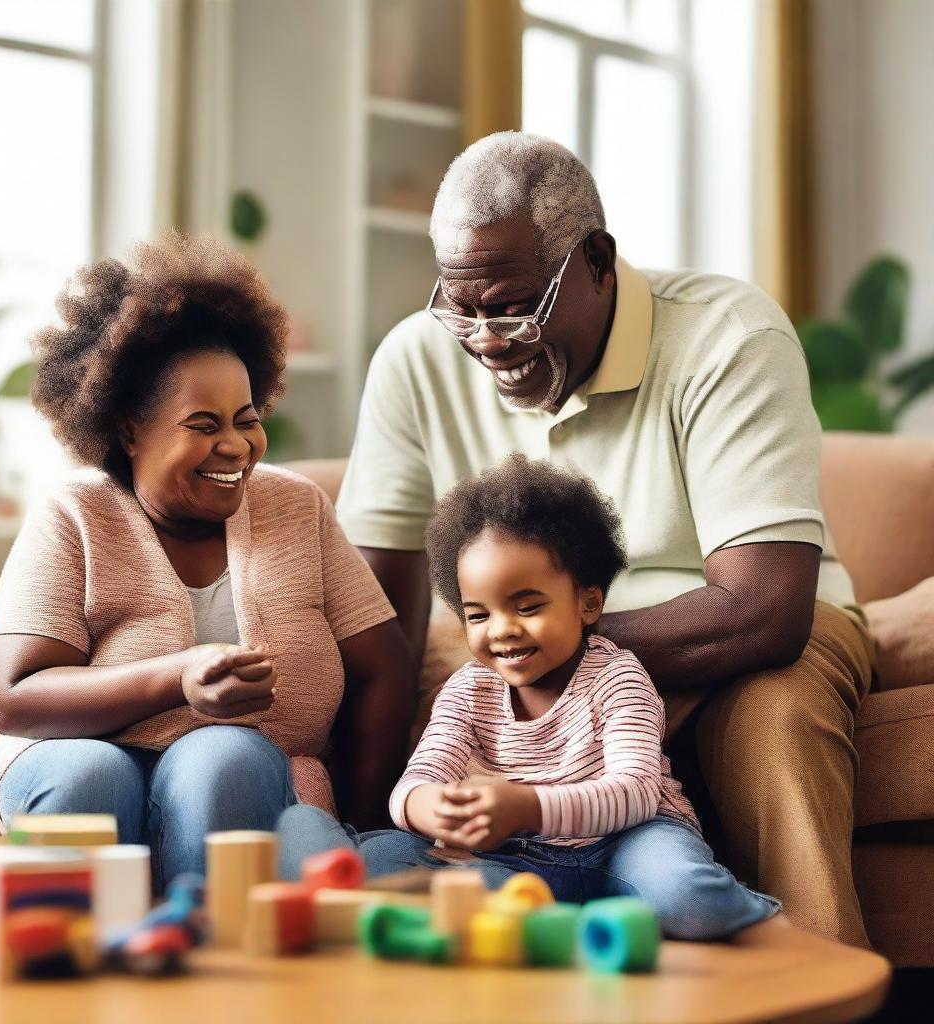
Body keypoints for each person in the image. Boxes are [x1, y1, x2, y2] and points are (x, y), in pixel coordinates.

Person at [335, 132, 874, 946]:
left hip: (739, 644)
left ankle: (821, 975)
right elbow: (372, 623)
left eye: (515, 306)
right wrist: (368, 809)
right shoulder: (415, 358)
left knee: (779, 721)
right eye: (463, 308)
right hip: (523, 645)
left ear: (596, 261)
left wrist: (551, 653)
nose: (487, 339)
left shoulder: (727, 336)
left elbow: (764, 609)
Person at [0, 232, 414, 893]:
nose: (236, 446)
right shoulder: (72, 516)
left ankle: (204, 963)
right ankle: (69, 972)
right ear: (129, 428)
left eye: (246, 419)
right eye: (204, 424)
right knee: (90, 778)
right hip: (75, 755)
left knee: (230, 755)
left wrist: (360, 821)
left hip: (242, 769)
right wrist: (179, 677)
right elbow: (16, 699)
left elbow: (382, 668)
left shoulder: (297, 509)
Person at [277, 455, 781, 940]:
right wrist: (432, 807)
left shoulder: (617, 677)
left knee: (689, 896)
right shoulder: (469, 690)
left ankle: (753, 915)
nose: (503, 630)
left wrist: (527, 806)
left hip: (629, 844)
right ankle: (562, 925)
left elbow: (636, 792)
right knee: (387, 863)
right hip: (518, 861)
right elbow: (417, 781)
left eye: (527, 606)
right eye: (479, 615)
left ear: (588, 602)